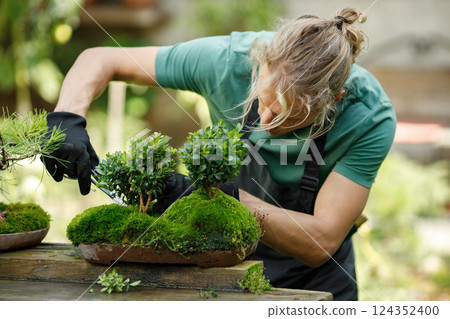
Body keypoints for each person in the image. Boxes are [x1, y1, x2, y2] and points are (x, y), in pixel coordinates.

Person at [43, 7, 396, 300]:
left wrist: (215, 195)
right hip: (223, 255)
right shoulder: (227, 62)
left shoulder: (368, 116)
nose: (266, 121)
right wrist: (66, 120)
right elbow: (100, 58)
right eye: (263, 101)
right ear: (261, 63)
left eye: (288, 114)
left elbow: (320, 242)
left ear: (331, 102)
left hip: (316, 281)